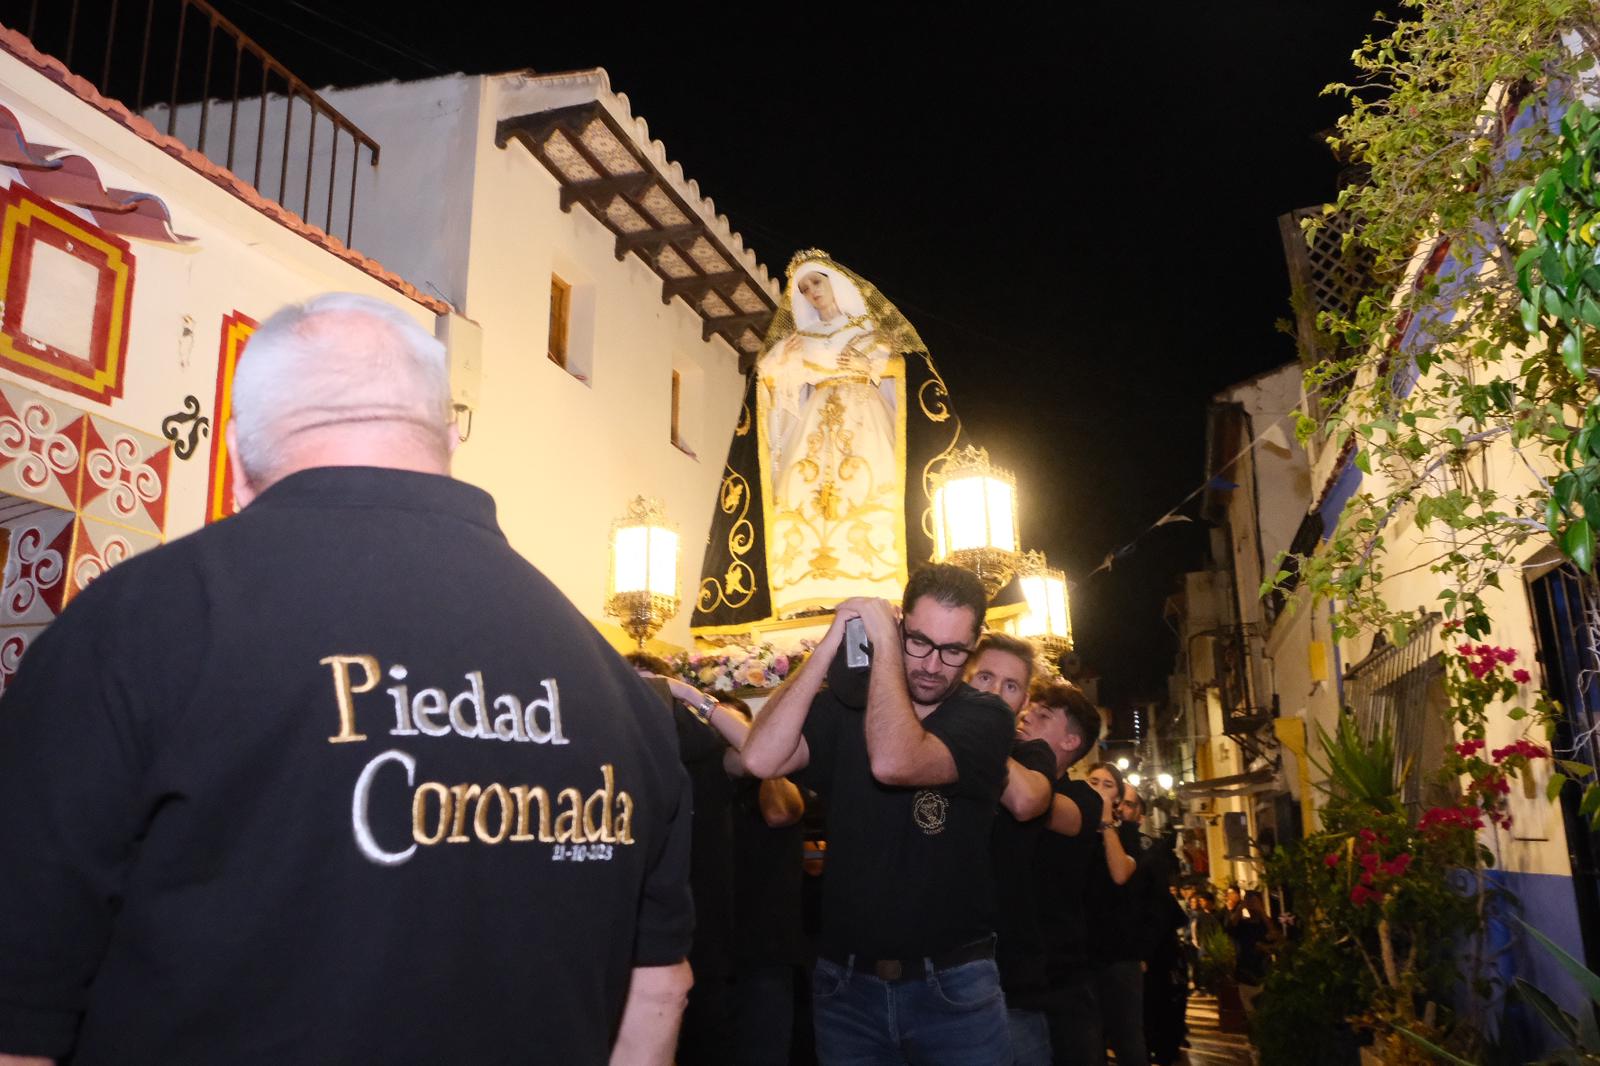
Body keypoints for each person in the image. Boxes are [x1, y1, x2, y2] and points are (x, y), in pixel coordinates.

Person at [0, 294, 696, 1066]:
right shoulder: (620, 689)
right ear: (444, 438)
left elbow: (20, 1008)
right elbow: (657, 995)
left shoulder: (136, 627)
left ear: (234, 459)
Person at [742, 564, 1016, 1065]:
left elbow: (895, 761)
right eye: (919, 641)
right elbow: (760, 759)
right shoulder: (845, 707)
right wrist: (828, 646)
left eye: (952, 650)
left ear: (972, 649)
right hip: (846, 990)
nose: (933, 664)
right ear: (902, 622)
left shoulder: (984, 717)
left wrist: (888, 646)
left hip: (954, 990)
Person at [757, 254, 904, 615]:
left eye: (816, 283)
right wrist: (780, 363)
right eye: (804, 289)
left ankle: (873, 579)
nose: (811, 293)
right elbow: (770, 382)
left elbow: (896, 369)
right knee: (807, 495)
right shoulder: (800, 340)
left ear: (834, 282)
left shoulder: (868, 331)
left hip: (863, 416)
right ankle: (811, 588)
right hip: (815, 423)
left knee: (868, 488)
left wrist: (868, 365)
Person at [966, 634, 1055, 1066]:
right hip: (942, 970)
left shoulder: (1031, 753)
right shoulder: (931, 744)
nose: (996, 693)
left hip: (1011, 971)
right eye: (984, 677)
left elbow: (1023, 801)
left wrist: (978, 733)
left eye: (1011, 686)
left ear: (1023, 704)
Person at [1014, 681, 1106, 1066]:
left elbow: (1035, 804)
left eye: (1043, 715)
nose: (1025, 716)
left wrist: (979, 738)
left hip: (1060, 981)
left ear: (1070, 741)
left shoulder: (1084, 799)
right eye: (1029, 709)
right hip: (999, 980)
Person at [1081, 763, 1146, 1066]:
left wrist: (1106, 824)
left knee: (1128, 1040)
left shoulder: (1128, 836)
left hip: (1119, 957)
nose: (1097, 788)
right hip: (1079, 956)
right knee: (1088, 1043)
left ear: (1118, 799)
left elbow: (1120, 873)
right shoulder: (1073, 830)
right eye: (1093, 781)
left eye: (1107, 785)